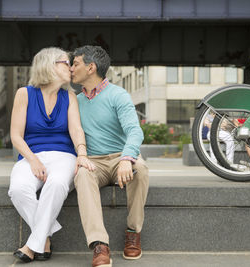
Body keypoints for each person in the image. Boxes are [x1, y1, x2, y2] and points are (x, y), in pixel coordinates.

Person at [8, 47, 95, 263]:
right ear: (50, 65)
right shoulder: (24, 94)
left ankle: (31, 245)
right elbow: (16, 136)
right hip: (31, 156)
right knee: (18, 189)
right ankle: (44, 238)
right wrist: (34, 160)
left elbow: (76, 130)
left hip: (64, 156)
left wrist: (82, 154)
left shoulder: (69, 97)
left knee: (56, 184)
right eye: (67, 63)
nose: (72, 68)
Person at [70, 45, 149, 267]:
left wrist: (126, 158)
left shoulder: (118, 95)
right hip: (93, 161)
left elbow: (135, 131)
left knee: (140, 169)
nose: (71, 69)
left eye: (75, 64)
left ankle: (133, 232)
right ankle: (99, 245)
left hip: (118, 157)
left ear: (91, 67)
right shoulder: (75, 101)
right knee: (82, 175)